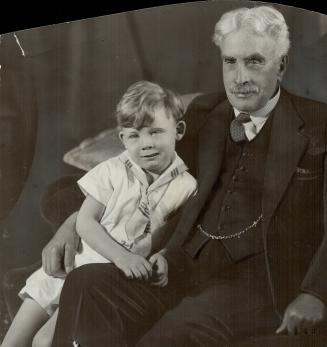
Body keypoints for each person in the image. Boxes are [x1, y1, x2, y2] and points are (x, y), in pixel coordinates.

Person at [47, 5, 327, 346]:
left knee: (174, 334)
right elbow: (139, 171)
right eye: (230, 61)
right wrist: (73, 220)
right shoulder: (205, 114)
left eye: (254, 61)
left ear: (280, 65)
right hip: (179, 268)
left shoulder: (316, 123)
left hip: (255, 282)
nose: (240, 78)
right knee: (88, 283)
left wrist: (317, 293)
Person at [1, 81, 197, 347]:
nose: (146, 144)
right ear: (122, 139)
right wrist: (122, 256)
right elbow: (84, 221)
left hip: (97, 282)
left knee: (44, 341)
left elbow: (173, 234)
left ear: (179, 130)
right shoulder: (113, 170)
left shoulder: (186, 186)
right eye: (134, 136)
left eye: (156, 132)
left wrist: (162, 257)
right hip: (72, 264)